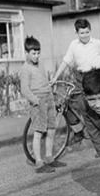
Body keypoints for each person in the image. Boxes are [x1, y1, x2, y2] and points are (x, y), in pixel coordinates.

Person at [51, 18, 100, 144]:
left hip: (95, 76)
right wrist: (55, 77)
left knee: (96, 106)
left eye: (87, 32)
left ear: (90, 31)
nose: (85, 35)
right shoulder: (74, 45)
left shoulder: (96, 43)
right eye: (82, 33)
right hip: (80, 78)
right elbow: (66, 61)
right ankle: (79, 131)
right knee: (69, 103)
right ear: (77, 33)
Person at [20, 36, 67, 173]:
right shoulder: (25, 69)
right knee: (39, 131)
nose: (36, 56)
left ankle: (49, 158)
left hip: (49, 98)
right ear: (27, 53)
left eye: (38, 53)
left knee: (51, 129)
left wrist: (51, 94)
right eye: (33, 53)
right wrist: (36, 101)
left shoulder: (40, 64)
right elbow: (24, 90)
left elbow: (44, 81)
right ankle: (39, 163)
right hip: (38, 101)